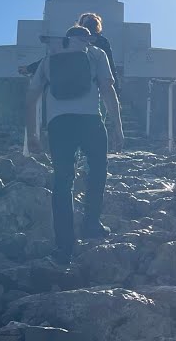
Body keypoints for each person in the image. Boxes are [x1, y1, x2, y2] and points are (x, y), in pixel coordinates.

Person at [25, 25, 124, 264]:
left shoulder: (49, 59)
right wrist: (118, 126)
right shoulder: (95, 54)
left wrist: (32, 135)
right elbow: (108, 89)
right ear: (86, 39)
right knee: (98, 171)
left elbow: (31, 98)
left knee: (62, 181)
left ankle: (64, 247)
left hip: (58, 125)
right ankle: (91, 224)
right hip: (90, 120)